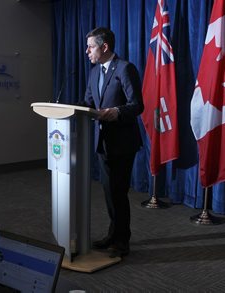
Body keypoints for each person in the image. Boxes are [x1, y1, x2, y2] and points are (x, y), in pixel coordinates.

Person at [81, 27, 144, 258]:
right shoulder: (94, 72)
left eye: (91, 46)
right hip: (103, 143)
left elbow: (137, 105)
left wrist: (116, 111)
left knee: (118, 192)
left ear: (104, 47)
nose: (87, 51)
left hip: (123, 143)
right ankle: (113, 233)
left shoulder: (125, 69)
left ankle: (122, 241)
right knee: (109, 192)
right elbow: (87, 103)